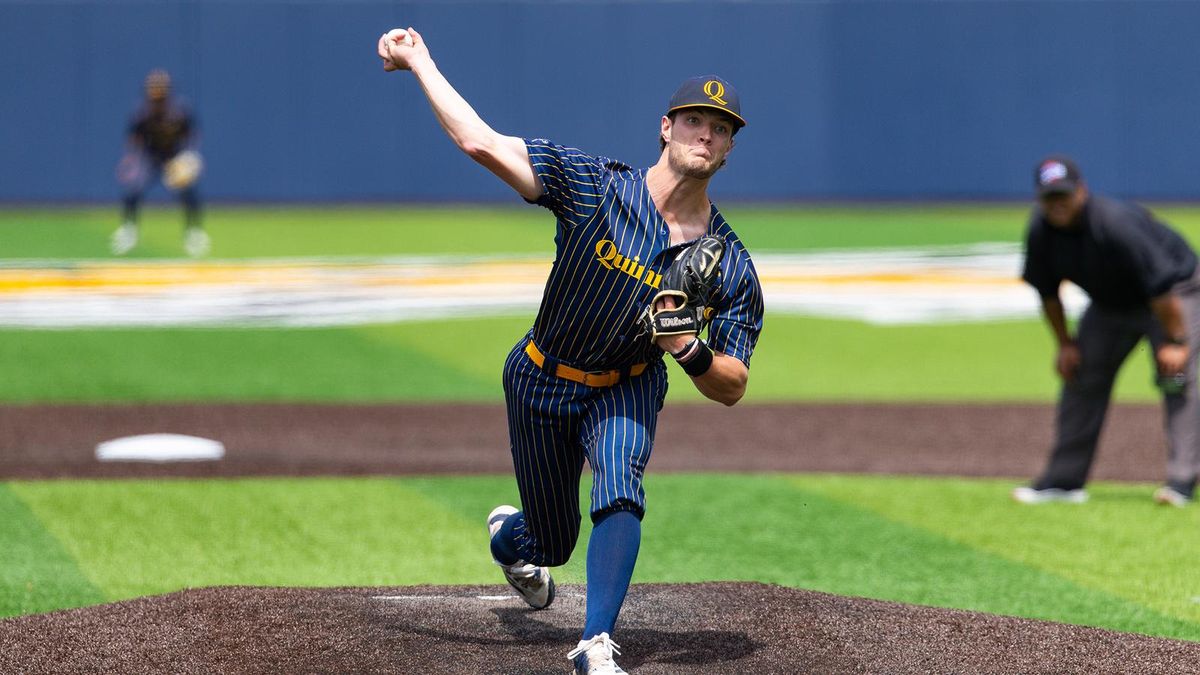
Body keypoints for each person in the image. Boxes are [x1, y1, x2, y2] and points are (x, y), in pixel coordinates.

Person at [377, 27, 764, 674]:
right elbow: (481, 141)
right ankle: (511, 536)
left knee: (621, 482)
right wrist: (419, 60)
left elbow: (733, 382)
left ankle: (594, 642)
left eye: (720, 128)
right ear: (666, 128)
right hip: (541, 377)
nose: (706, 134)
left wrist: (689, 350)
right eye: (695, 120)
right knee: (551, 542)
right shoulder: (594, 187)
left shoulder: (728, 264)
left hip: (628, 382)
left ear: (729, 147)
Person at [1013, 156, 1199, 508]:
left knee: (1174, 376)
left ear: (1082, 191)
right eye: (1050, 198)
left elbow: (1160, 286)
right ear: (1040, 199)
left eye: (1064, 196)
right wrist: (1065, 344)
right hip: (1110, 304)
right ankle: (1064, 481)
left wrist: (1175, 342)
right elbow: (1048, 293)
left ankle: (1182, 480)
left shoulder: (1114, 224)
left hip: (1174, 294)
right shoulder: (1041, 231)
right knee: (1081, 373)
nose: (1058, 205)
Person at [112, 69, 210, 257]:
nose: (157, 95)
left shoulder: (180, 111)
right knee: (133, 190)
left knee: (189, 193)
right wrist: (131, 159)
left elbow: (192, 134)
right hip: (149, 156)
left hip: (173, 156)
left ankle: (194, 233)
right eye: (153, 91)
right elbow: (134, 138)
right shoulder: (142, 112)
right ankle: (129, 231)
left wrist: (189, 156)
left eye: (160, 91)